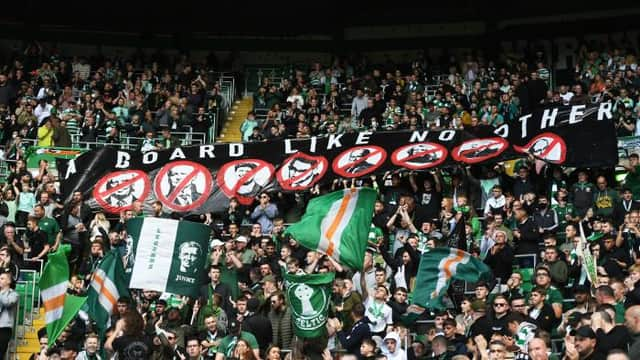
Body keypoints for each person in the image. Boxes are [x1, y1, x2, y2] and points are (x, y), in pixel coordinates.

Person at [0, 272, 17, 358]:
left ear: (9, 281)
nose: (0, 280)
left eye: (2, 278)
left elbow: (7, 303)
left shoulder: (13, 294)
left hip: (4, 328)